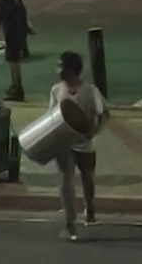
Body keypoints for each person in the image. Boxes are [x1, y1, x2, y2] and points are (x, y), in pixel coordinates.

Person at [49, 51, 109, 242]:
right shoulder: (56, 90)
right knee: (66, 184)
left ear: (70, 70)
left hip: (85, 145)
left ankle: (89, 207)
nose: (57, 70)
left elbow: (104, 113)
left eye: (60, 66)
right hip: (64, 146)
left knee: (87, 179)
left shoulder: (90, 91)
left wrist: (94, 130)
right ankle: (70, 223)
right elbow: (51, 117)